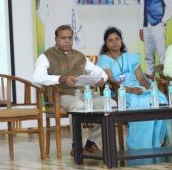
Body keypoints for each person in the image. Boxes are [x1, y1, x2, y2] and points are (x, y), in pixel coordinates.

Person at [33, 25, 115, 153]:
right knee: (79, 105)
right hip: (62, 95)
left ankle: (92, 142)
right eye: (63, 38)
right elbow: (37, 78)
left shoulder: (79, 56)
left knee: (110, 104)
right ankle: (76, 146)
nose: (67, 41)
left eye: (70, 38)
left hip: (85, 93)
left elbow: (100, 72)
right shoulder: (46, 56)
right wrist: (61, 78)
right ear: (56, 39)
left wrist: (101, 79)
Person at [98, 27, 168, 150]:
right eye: (110, 40)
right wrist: (131, 90)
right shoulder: (104, 59)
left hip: (137, 89)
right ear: (106, 43)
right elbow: (112, 81)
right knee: (144, 102)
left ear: (121, 41)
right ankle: (140, 145)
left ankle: (156, 141)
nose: (114, 42)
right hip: (120, 93)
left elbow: (140, 78)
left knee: (160, 99)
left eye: (117, 39)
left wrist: (150, 88)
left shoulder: (131, 57)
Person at [138, 0, 172, 78]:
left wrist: (163, 21)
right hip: (146, 26)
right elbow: (142, 7)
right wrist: (141, 27)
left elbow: (170, 6)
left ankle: (164, 84)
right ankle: (150, 84)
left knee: (162, 55)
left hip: (158, 24)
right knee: (148, 57)